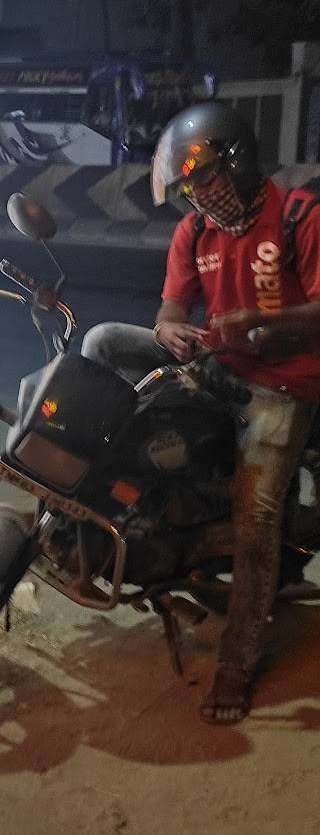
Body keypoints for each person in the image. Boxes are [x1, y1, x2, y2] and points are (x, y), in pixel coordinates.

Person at [81, 102, 320, 723]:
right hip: (217, 368)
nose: (198, 196)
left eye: (206, 179)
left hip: (284, 387)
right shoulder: (194, 233)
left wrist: (261, 323)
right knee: (103, 342)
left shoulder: (299, 217)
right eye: (188, 188)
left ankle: (236, 665)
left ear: (238, 162)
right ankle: (96, 516)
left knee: (256, 516)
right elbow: (171, 310)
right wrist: (170, 331)